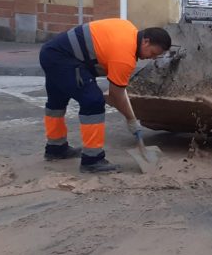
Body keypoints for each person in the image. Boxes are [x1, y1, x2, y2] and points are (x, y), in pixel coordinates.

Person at [39, 19, 172, 173]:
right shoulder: (125, 55)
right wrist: (131, 119)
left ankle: (55, 148)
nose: (152, 58)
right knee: (93, 101)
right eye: (153, 53)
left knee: (57, 101)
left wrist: (131, 118)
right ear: (146, 42)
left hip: (51, 52)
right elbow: (116, 95)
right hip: (64, 59)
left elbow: (120, 90)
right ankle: (92, 160)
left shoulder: (128, 28)